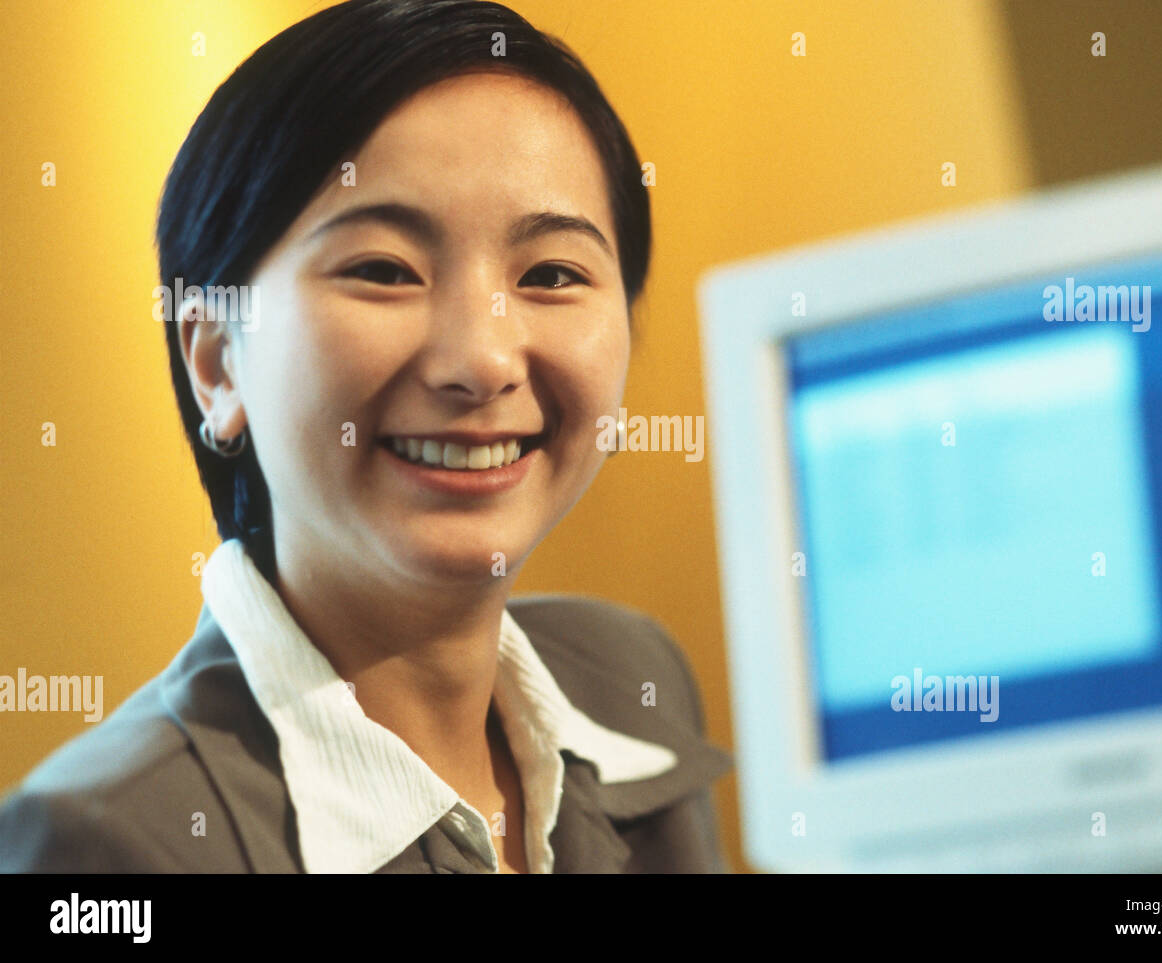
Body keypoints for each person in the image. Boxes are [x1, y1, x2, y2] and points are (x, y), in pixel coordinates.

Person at [0, 0, 732, 874]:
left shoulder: (631, 679)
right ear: (218, 363)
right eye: (383, 270)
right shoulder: (107, 843)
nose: (483, 359)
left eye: (551, 274)